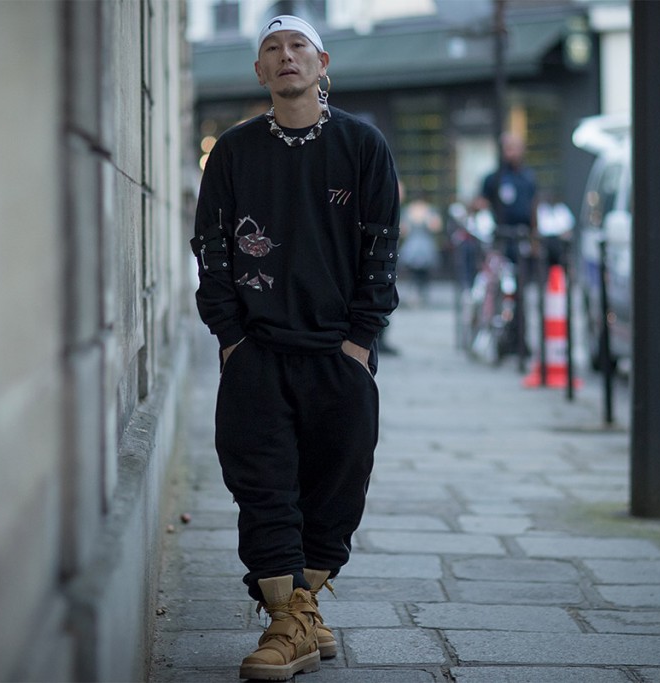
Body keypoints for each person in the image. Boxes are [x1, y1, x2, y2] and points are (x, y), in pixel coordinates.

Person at [189, 14, 400, 681]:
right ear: (259, 71)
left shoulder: (363, 147)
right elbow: (211, 247)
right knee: (262, 484)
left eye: (297, 46)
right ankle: (290, 623)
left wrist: (360, 343)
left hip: (338, 355)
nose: (285, 56)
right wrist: (231, 339)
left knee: (336, 486)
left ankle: (300, 612)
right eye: (272, 49)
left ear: (321, 61)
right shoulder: (233, 151)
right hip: (257, 351)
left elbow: (381, 249)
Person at [480, 132, 538, 263]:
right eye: (507, 148)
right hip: (501, 236)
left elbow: (534, 206)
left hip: (523, 234)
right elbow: (482, 201)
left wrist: (535, 238)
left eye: (513, 148)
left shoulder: (528, 177)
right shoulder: (495, 178)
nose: (510, 153)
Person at [398, 188, 443, 306]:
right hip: (417, 243)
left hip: (420, 243)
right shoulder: (410, 210)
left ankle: (419, 294)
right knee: (416, 271)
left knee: (420, 271)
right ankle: (417, 294)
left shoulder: (419, 210)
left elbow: (436, 226)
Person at [535, 191, 575, 267]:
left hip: (560, 244)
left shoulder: (562, 209)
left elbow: (569, 229)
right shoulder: (542, 210)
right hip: (546, 243)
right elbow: (539, 230)